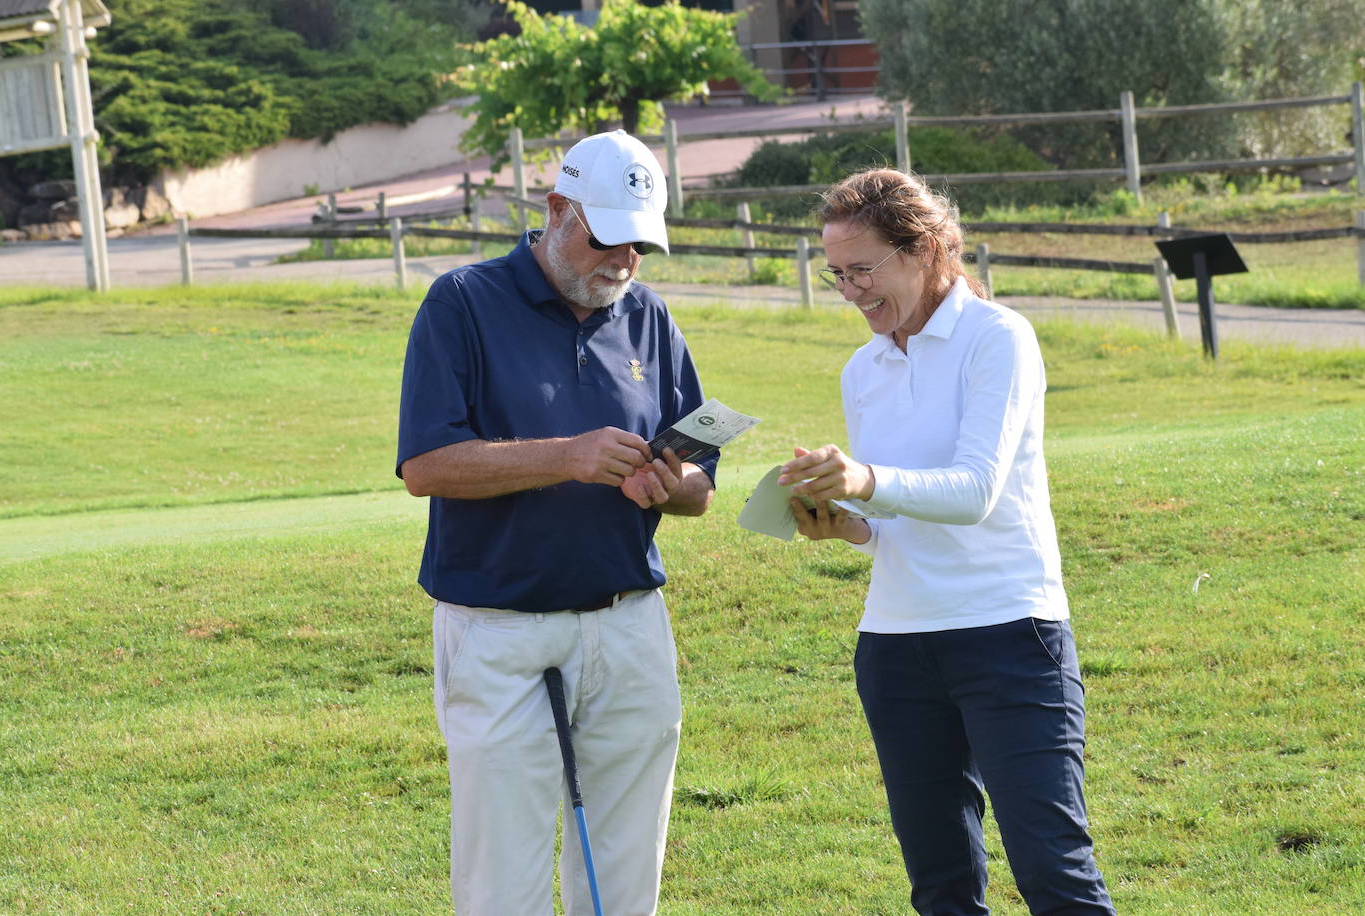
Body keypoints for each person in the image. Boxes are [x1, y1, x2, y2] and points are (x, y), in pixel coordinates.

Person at [396, 129, 717, 916]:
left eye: (640, 245)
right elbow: (425, 467)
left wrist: (667, 486)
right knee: (502, 879)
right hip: (500, 630)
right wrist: (567, 457)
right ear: (556, 209)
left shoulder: (650, 317)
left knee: (626, 870)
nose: (624, 262)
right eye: (607, 238)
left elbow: (703, 481)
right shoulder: (462, 302)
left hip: (630, 625)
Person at [780, 168, 1115, 915]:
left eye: (863, 269)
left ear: (925, 248)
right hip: (896, 650)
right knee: (941, 889)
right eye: (836, 275)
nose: (852, 292)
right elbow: (887, 527)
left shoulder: (997, 339)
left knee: (1055, 875)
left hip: (1009, 637)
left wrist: (864, 479)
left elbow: (973, 492)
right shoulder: (860, 370)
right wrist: (843, 522)